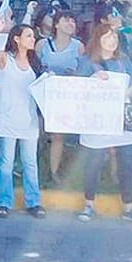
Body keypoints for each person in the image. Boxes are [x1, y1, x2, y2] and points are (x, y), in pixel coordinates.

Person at [76, 24, 132, 225]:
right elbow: (75, 87)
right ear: (98, 38)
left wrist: (123, 93)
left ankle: (128, 206)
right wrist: (94, 81)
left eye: (114, 38)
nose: (112, 41)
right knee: (94, 163)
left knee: (127, 163)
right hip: (96, 120)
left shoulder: (123, 60)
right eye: (107, 37)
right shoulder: (87, 62)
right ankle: (89, 204)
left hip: (121, 118)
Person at [0, 20, 45, 219]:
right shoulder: (6, 58)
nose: (32, 39)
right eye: (28, 35)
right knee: (6, 163)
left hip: (28, 120)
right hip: (7, 119)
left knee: (30, 162)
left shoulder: (35, 63)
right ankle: (3, 202)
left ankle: (34, 202)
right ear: (17, 39)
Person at [35, 10, 84, 182]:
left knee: (58, 135)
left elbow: (84, 72)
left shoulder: (78, 46)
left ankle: (54, 172)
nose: (71, 23)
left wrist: (74, 75)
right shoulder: (42, 45)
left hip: (66, 97)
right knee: (38, 132)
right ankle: (28, 166)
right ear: (56, 24)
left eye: (73, 20)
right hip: (43, 96)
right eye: (66, 20)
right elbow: (33, 68)